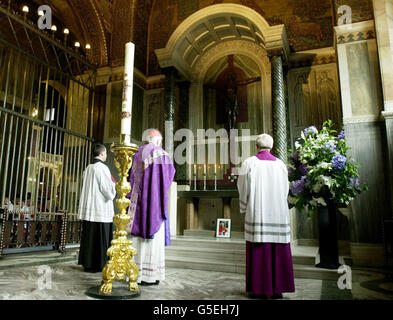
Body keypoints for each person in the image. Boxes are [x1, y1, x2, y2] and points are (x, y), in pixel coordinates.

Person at [237, 133, 295, 299]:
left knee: (259, 249)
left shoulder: (249, 163)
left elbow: (243, 188)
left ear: (256, 146)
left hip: (258, 213)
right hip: (278, 214)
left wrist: (244, 205)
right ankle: (278, 290)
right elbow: (285, 190)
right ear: (272, 146)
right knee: (278, 250)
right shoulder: (281, 164)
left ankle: (258, 289)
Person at [126, 129, 175, 285]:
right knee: (152, 242)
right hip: (153, 204)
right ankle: (149, 276)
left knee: (135, 241)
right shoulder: (161, 154)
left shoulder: (134, 154)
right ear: (158, 141)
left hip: (135, 206)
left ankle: (134, 274)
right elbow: (168, 178)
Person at [78, 143, 116, 273]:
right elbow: (107, 191)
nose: (106, 156)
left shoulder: (88, 168)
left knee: (89, 237)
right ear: (101, 153)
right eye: (105, 153)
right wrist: (113, 188)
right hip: (100, 209)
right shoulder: (102, 168)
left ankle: (88, 264)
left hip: (90, 210)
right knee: (100, 238)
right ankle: (99, 264)